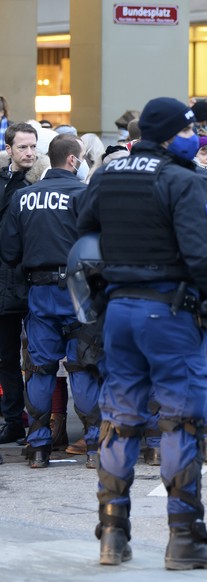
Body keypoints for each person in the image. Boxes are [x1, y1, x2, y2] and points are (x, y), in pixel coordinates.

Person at [77, 97, 207, 569]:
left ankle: (112, 534)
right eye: (191, 130)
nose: (197, 137)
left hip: (120, 312)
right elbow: (206, 256)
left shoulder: (108, 174)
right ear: (170, 135)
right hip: (168, 314)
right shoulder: (181, 181)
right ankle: (184, 538)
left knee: (120, 420)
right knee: (180, 422)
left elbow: (84, 238)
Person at [0, 133, 102, 469]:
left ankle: (39, 447)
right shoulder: (87, 195)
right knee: (83, 367)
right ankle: (92, 447)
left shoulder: (24, 198)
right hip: (80, 291)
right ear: (73, 160)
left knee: (40, 370)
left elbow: (10, 251)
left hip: (39, 290)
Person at [0, 123, 39, 445]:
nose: (29, 153)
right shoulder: (4, 182)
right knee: (7, 357)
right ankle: (13, 420)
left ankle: (43, 425)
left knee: (41, 358)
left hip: (35, 279)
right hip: (7, 283)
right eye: (23, 147)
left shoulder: (40, 182)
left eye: (32, 146)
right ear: (9, 148)